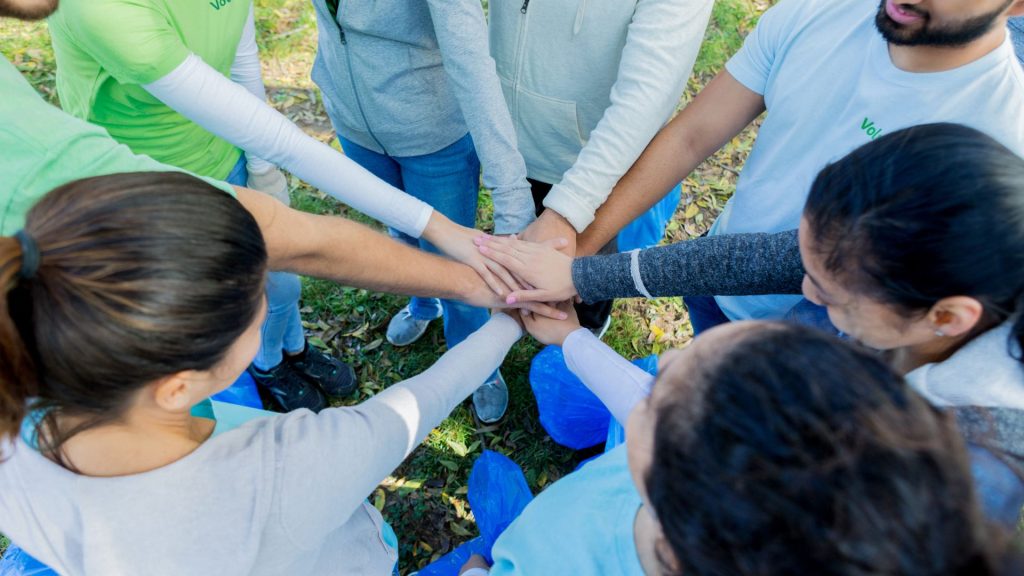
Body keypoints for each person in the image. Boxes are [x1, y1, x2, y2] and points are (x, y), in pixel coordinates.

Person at [0, 172, 526, 575]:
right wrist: (512, 324)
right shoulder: (289, 470)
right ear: (178, 385)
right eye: (257, 302)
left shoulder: (17, 402)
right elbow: (422, 401)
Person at [477, 125, 1024, 501]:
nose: (804, 292)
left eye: (830, 295)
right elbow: (745, 261)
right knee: (558, 382)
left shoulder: (958, 478)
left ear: (948, 318)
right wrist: (579, 285)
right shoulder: (902, 260)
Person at [43, 0, 526, 412]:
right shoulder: (105, 13)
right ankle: (398, 314)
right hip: (171, 177)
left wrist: (508, 207)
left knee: (307, 282)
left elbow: (471, 60)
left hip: (415, 133)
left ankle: (468, 359)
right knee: (236, 311)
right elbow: (276, 133)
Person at [551, 0, 1024, 334]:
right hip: (711, 274)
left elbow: (803, 260)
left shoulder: (997, 141)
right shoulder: (816, 11)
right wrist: (578, 252)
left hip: (825, 338)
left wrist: (581, 275)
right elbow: (690, 137)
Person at [458, 313, 1023, 575]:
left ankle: (498, 537)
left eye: (662, 391)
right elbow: (635, 396)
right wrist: (570, 337)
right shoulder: (705, 486)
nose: (661, 363)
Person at [309, 0, 537, 423]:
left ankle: (476, 360)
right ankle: (423, 303)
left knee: (452, 259)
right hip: (356, 128)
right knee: (401, 231)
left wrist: (512, 199)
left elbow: (472, 62)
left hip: (433, 137)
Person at [487, 0, 715, 335]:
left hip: (596, 161)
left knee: (589, 267)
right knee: (529, 243)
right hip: (511, 140)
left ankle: (590, 324)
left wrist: (569, 210)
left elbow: (647, 94)